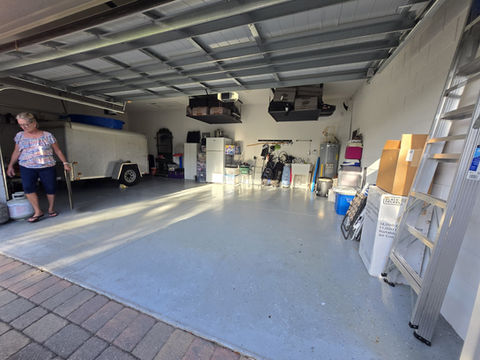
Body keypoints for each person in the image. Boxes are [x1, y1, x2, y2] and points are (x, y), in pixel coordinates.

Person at [6, 112, 71, 223]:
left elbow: (57, 150)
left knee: (50, 187)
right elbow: (16, 151)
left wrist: (65, 163)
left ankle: (51, 208)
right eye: (21, 125)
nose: (23, 127)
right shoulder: (19, 136)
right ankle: (38, 211)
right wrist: (10, 165)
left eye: (26, 124)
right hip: (26, 166)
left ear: (34, 123)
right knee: (28, 188)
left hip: (47, 166)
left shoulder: (47, 135)